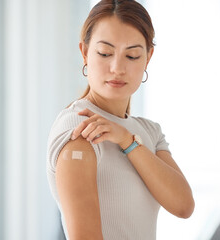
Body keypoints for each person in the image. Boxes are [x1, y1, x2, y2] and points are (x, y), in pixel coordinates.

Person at [46, 0, 195, 239]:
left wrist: (128, 141)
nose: (117, 67)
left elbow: (183, 205)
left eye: (133, 56)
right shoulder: (79, 126)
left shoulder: (149, 132)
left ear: (148, 57)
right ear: (84, 52)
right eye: (105, 53)